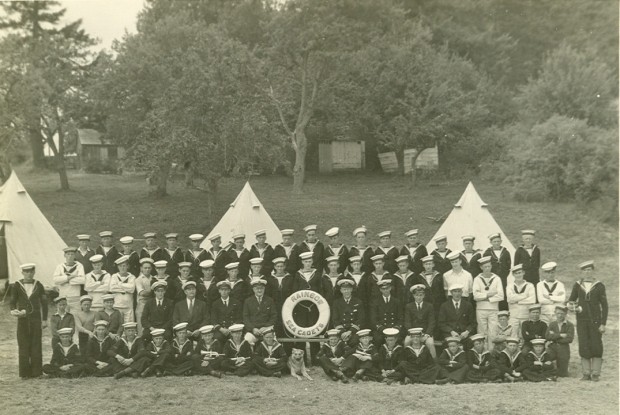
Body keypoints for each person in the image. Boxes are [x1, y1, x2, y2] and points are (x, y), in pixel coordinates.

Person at [568, 260, 608, 382]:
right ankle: (586, 373)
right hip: (581, 320)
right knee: (584, 344)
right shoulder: (577, 285)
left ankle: (595, 373)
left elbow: (605, 306)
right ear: (582, 272)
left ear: (592, 271)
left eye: (589, 270)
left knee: (596, 345)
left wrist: (603, 323)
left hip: (595, 321)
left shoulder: (599, 285)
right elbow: (571, 301)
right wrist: (574, 308)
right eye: (585, 270)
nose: (587, 272)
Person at [10, 263, 48, 379]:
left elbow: (44, 303)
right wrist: (13, 310)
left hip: (36, 319)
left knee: (36, 344)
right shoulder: (17, 285)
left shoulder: (39, 285)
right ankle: (24, 373)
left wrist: (45, 319)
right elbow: (12, 301)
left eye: (31, 272)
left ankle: (37, 372)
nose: (29, 274)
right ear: (22, 273)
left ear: (34, 272)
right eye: (26, 272)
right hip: (22, 319)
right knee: (23, 344)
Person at [472, 256, 503, 347]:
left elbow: (500, 296)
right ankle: (483, 352)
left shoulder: (497, 278)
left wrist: (485, 298)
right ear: (481, 267)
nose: (487, 269)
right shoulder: (477, 279)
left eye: (489, 266)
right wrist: (488, 295)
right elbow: (475, 296)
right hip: (481, 309)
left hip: (493, 309)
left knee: (493, 332)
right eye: (485, 267)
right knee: (482, 332)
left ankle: (491, 352)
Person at [404, 284, 437, 358]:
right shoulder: (409, 306)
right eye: (416, 295)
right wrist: (413, 334)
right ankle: (406, 362)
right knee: (407, 341)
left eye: (421, 295)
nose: (418, 297)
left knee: (430, 343)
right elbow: (407, 322)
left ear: (424, 295)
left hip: (425, 333)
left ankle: (434, 363)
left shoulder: (429, 306)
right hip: (413, 333)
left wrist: (427, 334)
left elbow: (432, 322)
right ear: (413, 296)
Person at [242, 278, 277, 346]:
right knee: (246, 341)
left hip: (266, 329)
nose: (259, 290)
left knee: (273, 342)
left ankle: (271, 356)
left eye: (261, 288)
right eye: (257, 288)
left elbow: (274, 316)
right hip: (253, 330)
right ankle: (250, 356)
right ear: (253, 289)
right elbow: (245, 317)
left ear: (264, 289)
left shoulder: (270, 300)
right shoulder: (248, 301)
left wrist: (266, 327)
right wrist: (253, 328)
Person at [331, 279, 364, 346]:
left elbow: (361, 319)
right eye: (344, 289)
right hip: (341, 330)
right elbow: (335, 319)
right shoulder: (336, 303)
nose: (346, 291)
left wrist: (350, 331)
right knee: (338, 342)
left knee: (354, 341)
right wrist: (343, 332)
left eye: (348, 289)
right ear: (341, 290)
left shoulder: (358, 302)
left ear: (351, 290)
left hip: (353, 330)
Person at [370, 279, 403, 346]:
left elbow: (401, 317)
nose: (385, 290)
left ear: (390, 288)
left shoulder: (397, 302)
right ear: (380, 290)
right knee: (378, 339)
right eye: (383, 289)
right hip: (382, 329)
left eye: (387, 288)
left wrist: (396, 328)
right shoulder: (375, 302)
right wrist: (382, 329)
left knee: (399, 339)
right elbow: (374, 319)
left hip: (394, 329)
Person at [483, 233, 511, 310]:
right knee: (493, 292)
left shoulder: (505, 252)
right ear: (491, 243)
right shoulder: (487, 253)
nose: (496, 243)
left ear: (501, 241)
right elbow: (485, 266)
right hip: (492, 277)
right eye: (494, 241)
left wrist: (504, 274)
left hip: (503, 277)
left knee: (502, 293)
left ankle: (503, 311)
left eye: (498, 241)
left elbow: (508, 265)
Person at [53, 247, 86, 313]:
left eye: (72, 254)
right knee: (63, 315)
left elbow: (82, 280)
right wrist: (69, 277)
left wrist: (64, 280)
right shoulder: (60, 266)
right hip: (63, 295)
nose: (70, 256)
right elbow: (55, 280)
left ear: (74, 255)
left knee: (76, 316)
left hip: (75, 295)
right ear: (64, 255)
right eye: (68, 254)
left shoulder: (79, 266)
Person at [545, 305, 574, 377]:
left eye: (562, 313)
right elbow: (547, 336)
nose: (560, 315)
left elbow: (569, 339)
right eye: (558, 313)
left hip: (563, 348)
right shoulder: (552, 324)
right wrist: (560, 335)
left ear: (565, 314)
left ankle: (561, 369)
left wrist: (554, 336)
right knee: (545, 360)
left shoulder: (569, 325)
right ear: (555, 313)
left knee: (563, 374)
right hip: (552, 347)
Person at [506, 264, 536, 333]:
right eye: (516, 273)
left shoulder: (530, 285)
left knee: (524, 335)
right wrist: (525, 296)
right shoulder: (510, 286)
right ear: (513, 275)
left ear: (523, 273)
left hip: (525, 315)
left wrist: (518, 301)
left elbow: (532, 300)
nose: (518, 275)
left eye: (519, 273)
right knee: (513, 335)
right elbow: (509, 299)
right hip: (513, 316)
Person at [109, 255, 136, 323]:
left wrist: (119, 284)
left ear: (127, 266)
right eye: (120, 266)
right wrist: (126, 288)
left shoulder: (132, 277)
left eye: (124, 266)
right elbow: (112, 288)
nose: (122, 268)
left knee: (128, 325)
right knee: (117, 325)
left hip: (128, 306)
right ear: (118, 267)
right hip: (117, 305)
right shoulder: (114, 276)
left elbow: (132, 289)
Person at [135, 258, 154, 335]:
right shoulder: (138, 279)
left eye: (149, 268)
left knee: (151, 325)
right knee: (141, 326)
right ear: (141, 268)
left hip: (152, 304)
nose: (147, 270)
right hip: (142, 304)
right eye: (145, 268)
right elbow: (142, 293)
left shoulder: (154, 278)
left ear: (152, 268)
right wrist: (153, 291)